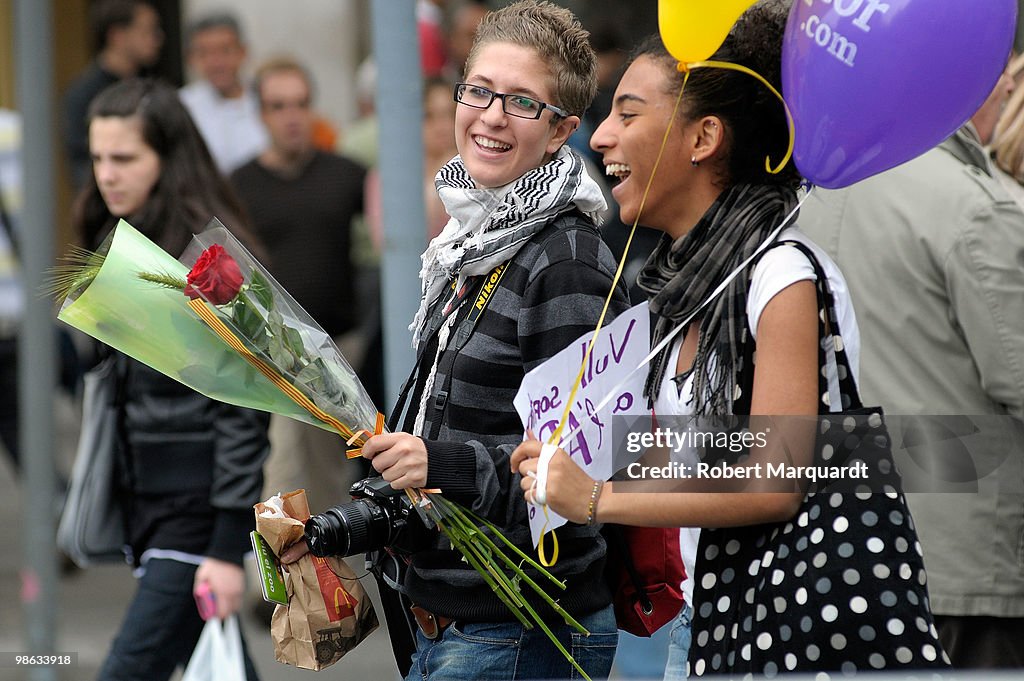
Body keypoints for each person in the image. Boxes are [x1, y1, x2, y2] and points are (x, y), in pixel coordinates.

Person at [511, 1, 951, 677]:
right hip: (707, 619)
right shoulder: (690, 285)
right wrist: (576, 458)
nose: (600, 137)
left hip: (785, 621)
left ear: (703, 137)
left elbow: (775, 478)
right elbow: (714, 450)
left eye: (628, 113)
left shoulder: (780, 273)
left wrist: (596, 498)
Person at [285, 2, 628, 679]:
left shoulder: (564, 258)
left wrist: (436, 462)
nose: (492, 116)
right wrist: (338, 528)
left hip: (518, 628)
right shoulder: (472, 243)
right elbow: (444, 447)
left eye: (523, 102)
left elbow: (575, 469)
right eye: (479, 90)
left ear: (562, 130)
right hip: (449, 624)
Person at [800, 69, 1024, 668]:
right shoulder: (975, 207)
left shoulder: (815, 191)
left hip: (840, 553)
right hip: (963, 563)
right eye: (1000, 88)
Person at [74, 78, 269, 681]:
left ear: (167, 157)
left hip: (195, 512)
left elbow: (245, 406)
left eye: (125, 158)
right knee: (214, 661)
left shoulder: (209, 257)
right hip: (149, 505)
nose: (107, 174)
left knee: (129, 669)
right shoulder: (117, 234)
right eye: (98, 157)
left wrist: (225, 544)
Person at [230, 57, 367, 511]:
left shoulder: (346, 175)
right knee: (280, 464)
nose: (292, 117)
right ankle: (268, 574)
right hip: (271, 352)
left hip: (339, 346)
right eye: (278, 106)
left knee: (331, 470)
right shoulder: (239, 186)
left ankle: (335, 572)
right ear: (260, 114)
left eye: (301, 104)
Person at [63, 0, 163, 189]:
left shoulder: (154, 87)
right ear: (118, 36)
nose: (157, 38)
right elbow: (81, 167)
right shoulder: (84, 94)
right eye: (147, 30)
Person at [179, 12, 268, 175]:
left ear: (243, 52)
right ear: (191, 58)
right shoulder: (181, 106)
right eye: (204, 53)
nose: (216, 63)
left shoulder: (269, 99)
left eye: (225, 50)